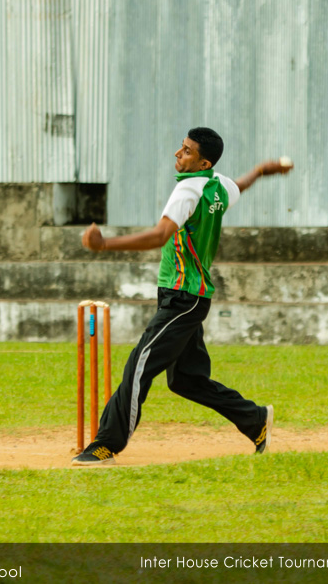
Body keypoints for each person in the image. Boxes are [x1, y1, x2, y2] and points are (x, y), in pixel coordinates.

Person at [72, 127, 293, 466]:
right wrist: (262, 170)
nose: (178, 154)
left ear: (203, 162)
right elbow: (240, 185)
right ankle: (255, 419)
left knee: (139, 366)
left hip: (183, 298)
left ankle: (105, 446)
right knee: (186, 380)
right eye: (181, 147)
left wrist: (104, 245)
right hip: (189, 296)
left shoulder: (188, 190)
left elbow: (160, 236)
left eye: (187, 151)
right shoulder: (217, 185)